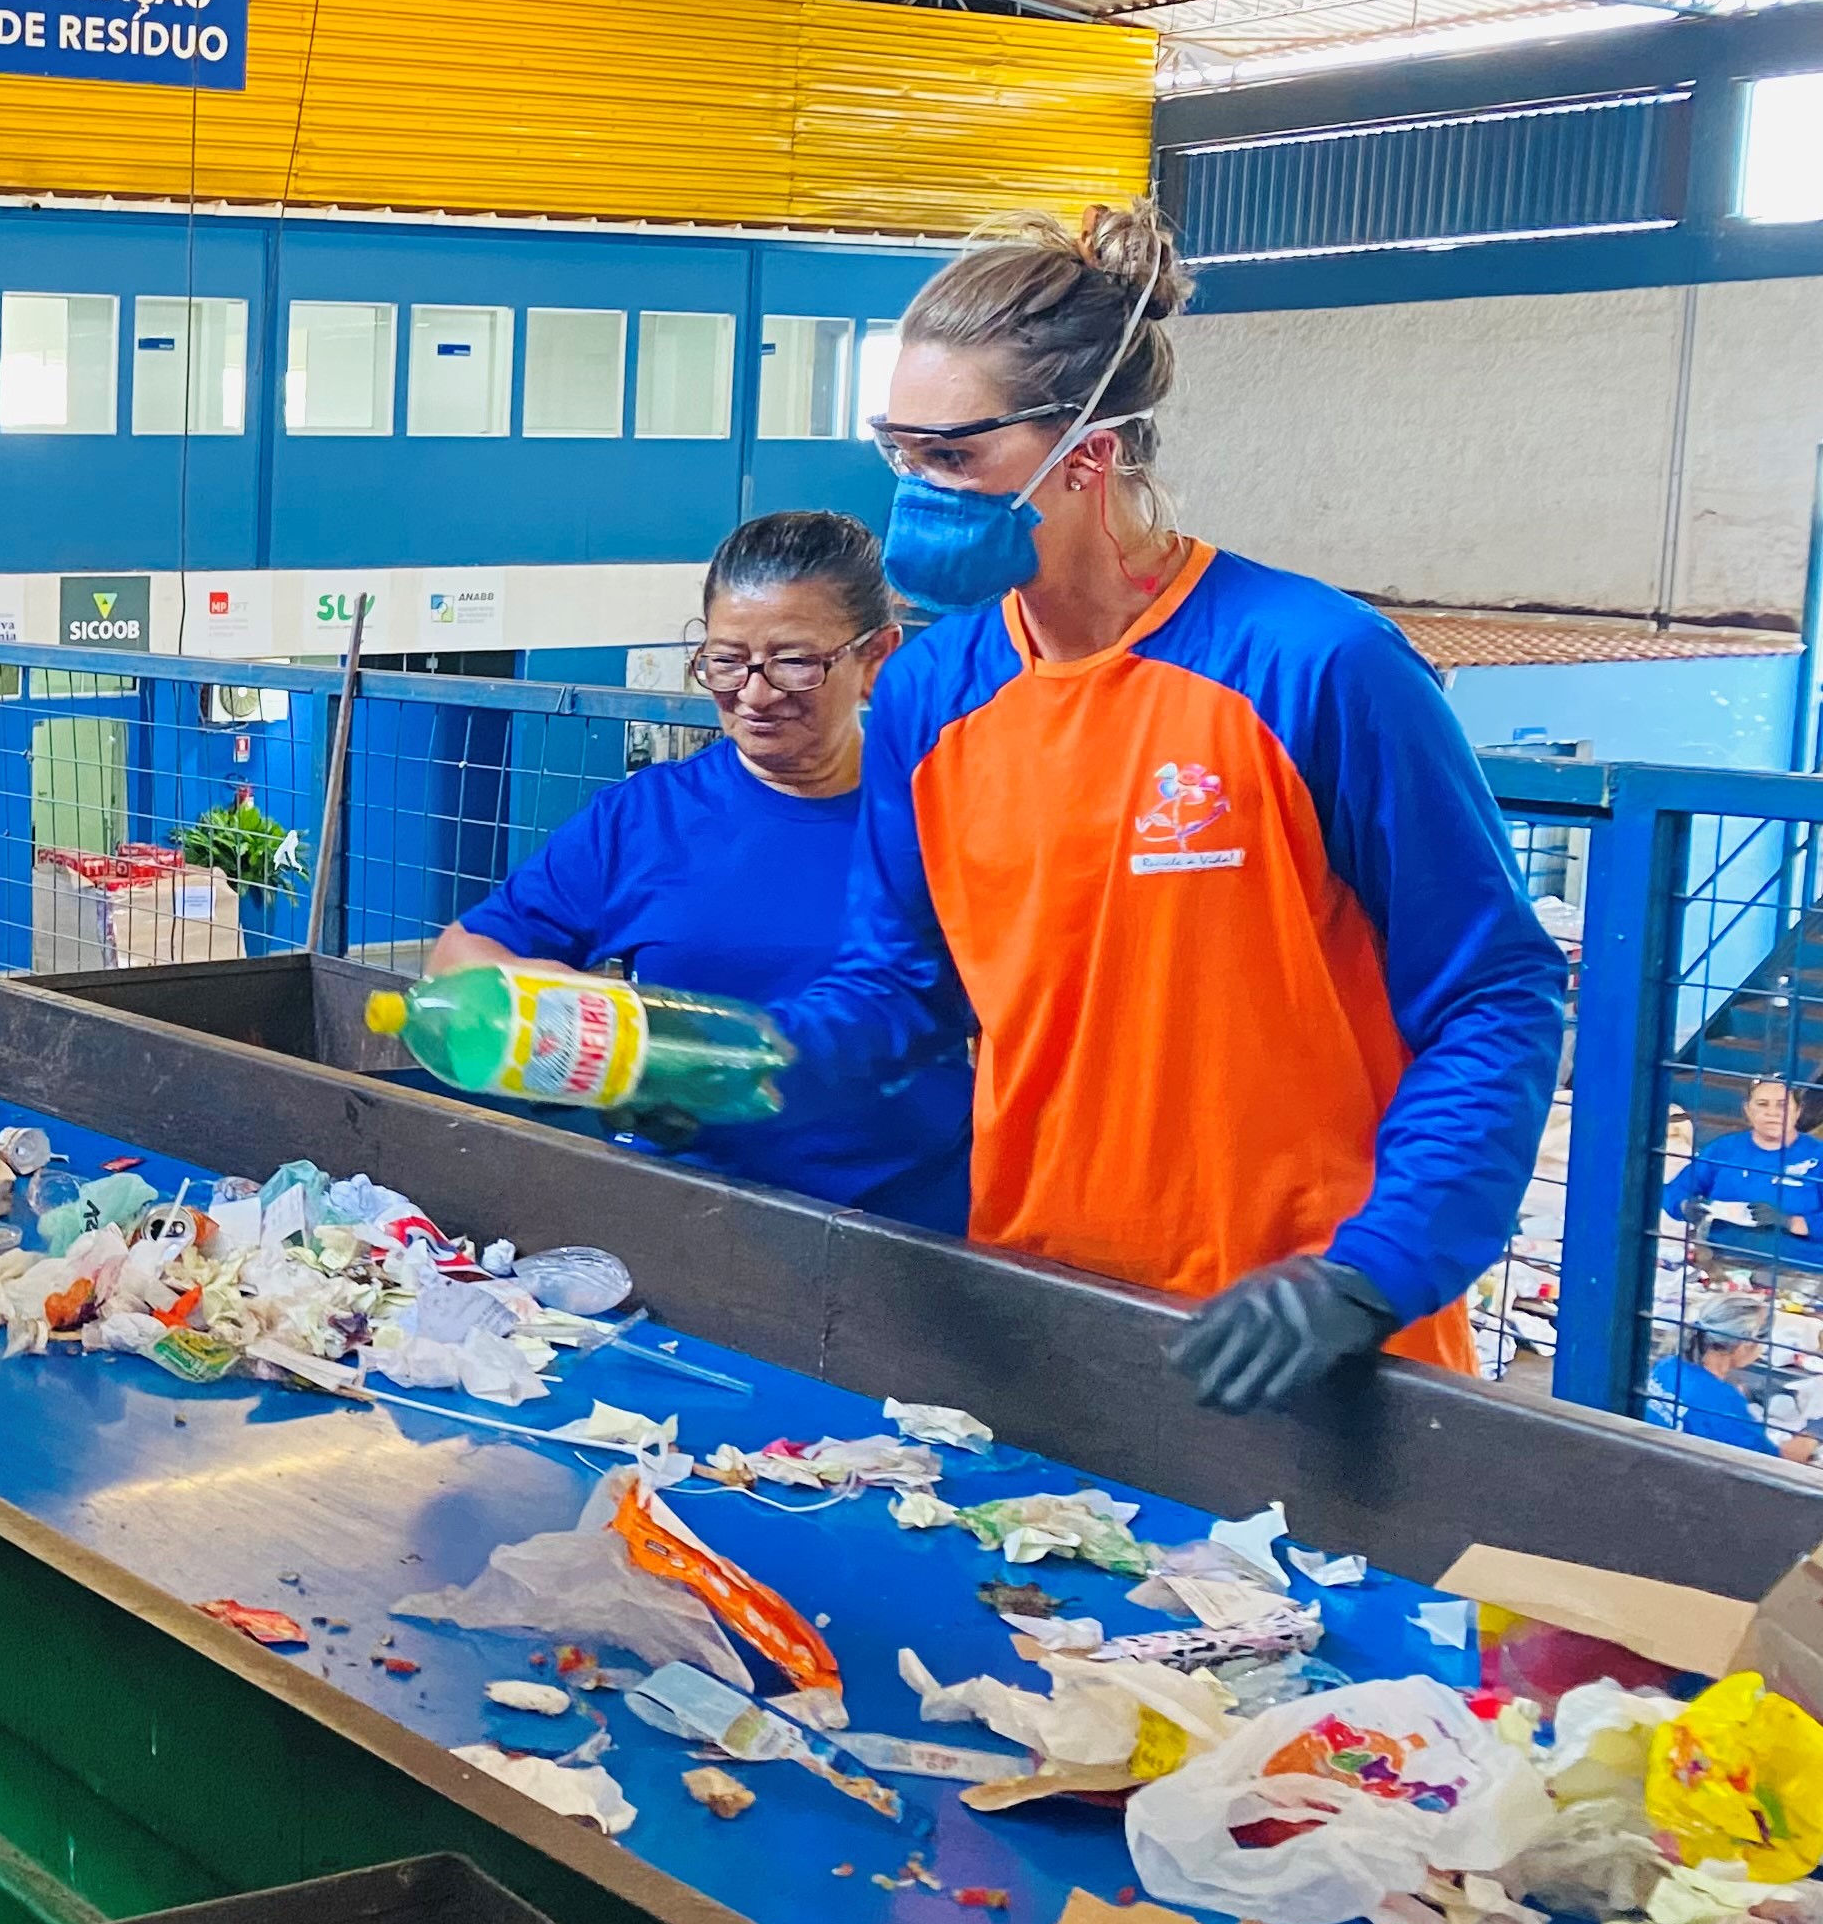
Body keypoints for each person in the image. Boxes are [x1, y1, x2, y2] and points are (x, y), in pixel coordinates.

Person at [773, 202, 1567, 1416]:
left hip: (1307, 1344)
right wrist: (735, 1061)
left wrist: (1376, 1269)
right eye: (898, 451)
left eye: (950, 458)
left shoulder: (1314, 668)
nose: (913, 493)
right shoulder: (935, 690)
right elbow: (901, 988)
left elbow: (1495, 994)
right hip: (1052, 1321)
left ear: (1085, 452)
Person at [422, 512, 970, 1230]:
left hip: (908, 1226)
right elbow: (457, 957)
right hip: (694, 1220)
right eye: (726, 660)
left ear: (878, 658)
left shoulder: (945, 818)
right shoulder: (646, 820)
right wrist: (560, 999)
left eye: (795, 661)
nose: (756, 692)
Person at [1643, 1292, 1816, 1462]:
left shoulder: (1668, 1365)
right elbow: (1771, 1463)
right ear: (1743, 1346)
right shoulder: (1723, 1401)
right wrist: (1812, 1436)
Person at [1664, 1076, 1823, 1243]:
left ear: (1798, 1110)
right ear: (1747, 1110)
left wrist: (1789, 1222)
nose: (1772, 1112)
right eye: (1762, 1104)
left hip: (1797, 1261)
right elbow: (1676, 1189)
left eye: (1782, 1105)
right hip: (1719, 1255)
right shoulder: (1723, 1149)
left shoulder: (1817, 1155)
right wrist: (1685, 1207)